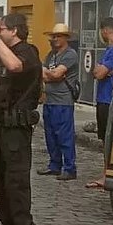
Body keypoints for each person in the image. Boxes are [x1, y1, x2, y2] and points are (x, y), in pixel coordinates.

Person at [0, 14, 42, 225]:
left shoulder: (28, 52)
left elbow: (15, 66)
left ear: (14, 31)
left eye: (2, 29)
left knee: (16, 180)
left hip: (16, 128)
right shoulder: (1, 51)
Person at [39, 24, 79, 180]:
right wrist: (51, 75)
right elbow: (45, 74)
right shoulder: (51, 55)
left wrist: (51, 74)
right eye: (53, 36)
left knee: (65, 136)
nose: (54, 39)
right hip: (49, 100)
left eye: (57, 36)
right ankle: (54, 165)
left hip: (63, 101)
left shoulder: (70, 55)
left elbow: (56, 74)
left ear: (65, 38)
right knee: (50, 136)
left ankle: (69, 168)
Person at [93, 17, 113, 142]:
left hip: (109, 100)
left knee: (108, 139)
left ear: (105, 31)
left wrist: (102, 70)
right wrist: (103, 70)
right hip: (101, 99)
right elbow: (95, 71)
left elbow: (99, 74)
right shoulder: (108, 50)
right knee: (102, 138)